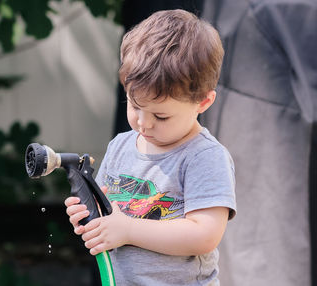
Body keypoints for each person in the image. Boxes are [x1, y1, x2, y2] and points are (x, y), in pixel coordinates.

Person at [65, 9, 236, 285]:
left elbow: (204, 235)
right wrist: (89, 218)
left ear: (203, 102)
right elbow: (110, 215)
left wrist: (129, 229)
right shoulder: (121, 146)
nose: (143, 124)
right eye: (135, 106)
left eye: (161, 116)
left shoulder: (203, 157)